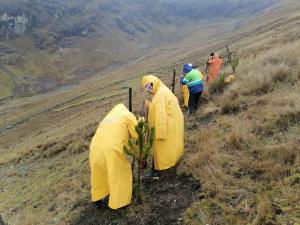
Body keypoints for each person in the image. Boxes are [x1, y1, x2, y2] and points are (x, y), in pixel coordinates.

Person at [89, 103, 138, 209]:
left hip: (95, 147)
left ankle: (98, 198)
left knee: (100, 173)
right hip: (111, 149)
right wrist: (141, 121)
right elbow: (137, 132)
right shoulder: (126, 115)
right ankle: (120, 203)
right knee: (120, 172)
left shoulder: (109, 116)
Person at [142, 75, 184, 177]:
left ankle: (156, 172)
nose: (149, 90)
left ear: (153, 84)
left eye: (149, 87)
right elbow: (158, 107)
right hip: (173, 124)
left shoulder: (160, 95)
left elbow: (160, 115)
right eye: (147, 88)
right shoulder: (163, 90)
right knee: (172, 146)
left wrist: (160, 134)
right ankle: (165, 165)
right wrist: (150, 105)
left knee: (161, 151)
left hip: (164, 129)